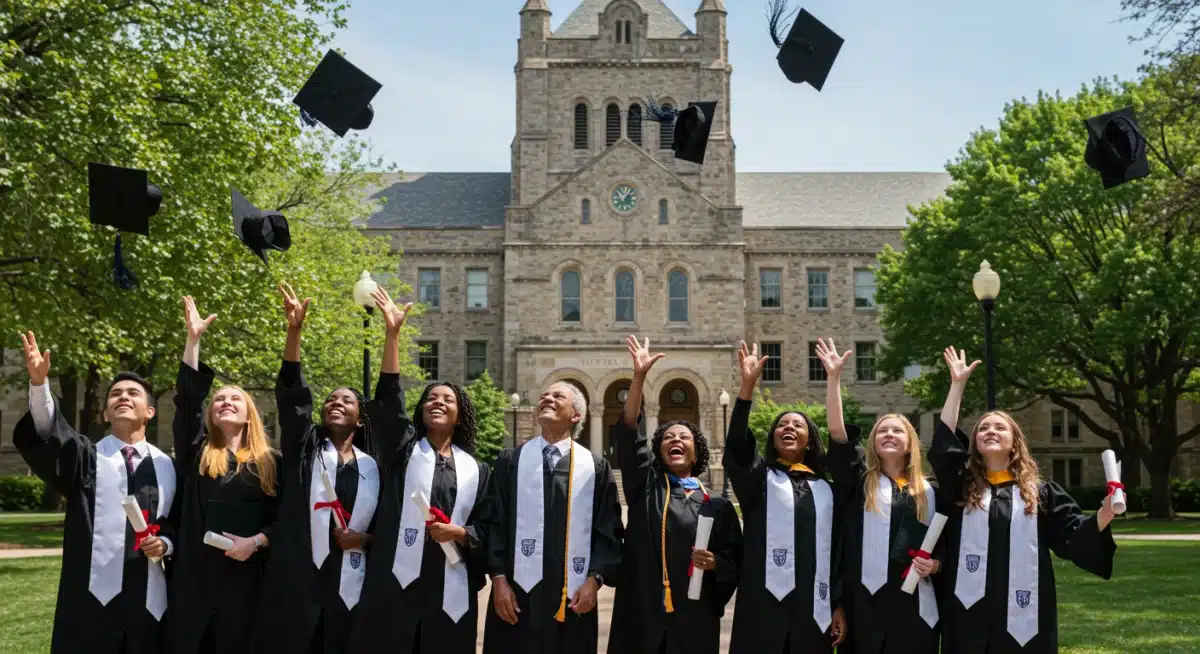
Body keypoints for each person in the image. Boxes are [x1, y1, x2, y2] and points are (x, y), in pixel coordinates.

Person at [930, 347, 1119, 654]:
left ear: (1014, 442)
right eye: (983, 428)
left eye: (999, 427)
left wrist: (1104, 514)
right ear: (974, 443)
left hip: (1024, 617)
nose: (990, 430)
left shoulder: (1040, 494)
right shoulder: (961, 490)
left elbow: (1072, 537)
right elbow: (943, 449)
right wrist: (957, 385)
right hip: (966, 616)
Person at [253, 281, 408, 653]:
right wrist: (294, 331)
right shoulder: (305, 450)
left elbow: (390, 407)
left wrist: (392, 335)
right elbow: (292, 398)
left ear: (360, 419)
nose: (336, 403)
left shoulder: (375, 466)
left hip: (354, 586)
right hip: (300, 585)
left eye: (348, 400)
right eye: (330, 399)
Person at [13, 331, 176, 654]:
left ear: (150, 412)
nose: (123, 397)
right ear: (105, 413)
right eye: (115, 394)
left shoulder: (169, 467)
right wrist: (39, 386)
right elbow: (52, 435)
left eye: (133, 393)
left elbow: (181, 523)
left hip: (151, 607)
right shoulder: (87, 458)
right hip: (91, 607)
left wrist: (167, 543)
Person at [606, 336, 742, 654]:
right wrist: (638, 376)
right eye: (668, 437)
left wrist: (715, 564)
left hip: (694, 617)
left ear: (696, 454)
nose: (675, 439)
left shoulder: (717, 507)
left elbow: (734, 561)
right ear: (659, 451)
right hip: (642, 613)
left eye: (683, 436)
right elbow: (629, 432)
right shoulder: (647, 487)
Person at [166, 296, 281, 654]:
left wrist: (256, 542)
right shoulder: (197, 453)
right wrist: (193, 341)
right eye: (218, 400)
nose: (225, 402)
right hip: (197, 578)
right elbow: (186, 402)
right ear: (211, 414)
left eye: (235, 399)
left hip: (250, 579)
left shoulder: (271, 461)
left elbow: (285, 519)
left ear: (250, 414)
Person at [348, 374, 492, 654]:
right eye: (431, 398)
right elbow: (390, 403)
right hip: (394, 586)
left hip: (449, 592)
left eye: (447, 400)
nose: (437, 402)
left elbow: (490, 526)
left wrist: (461, 533)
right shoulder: (401, 455)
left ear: (460, 416)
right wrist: (393, 338)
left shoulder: (476, 471)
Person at [481, 379, 624, 654]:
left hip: (573, 595)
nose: (547, 398)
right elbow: (494, 523)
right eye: (544, 395)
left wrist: (595, 580)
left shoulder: (594, 468)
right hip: (517, 593)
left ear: (576, 415)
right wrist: (498, 579)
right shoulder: (511, 462)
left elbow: (608, 530)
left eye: (558, 396)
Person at [818, 338, 942, 654]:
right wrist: (833, 379)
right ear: (873, 443)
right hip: (863, 608)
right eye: (882, 431)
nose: (888, 434)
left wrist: (938, 565)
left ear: (911, 442)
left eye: (897, 430)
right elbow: (837, 436)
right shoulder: (858, 483)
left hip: (915, 605)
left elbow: (950, 547)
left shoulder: (929, 492)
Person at [724, 341, 846, 654]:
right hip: (762, 605)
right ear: (774, 439)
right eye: (782, 425)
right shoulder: (758, 480)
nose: (787, 428)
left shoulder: (827, 490)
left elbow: (838, 554)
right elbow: (737, 445)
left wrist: (839, 604)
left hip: (812, 607)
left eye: (797, 425)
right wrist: (746, 388)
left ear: (809, 441)